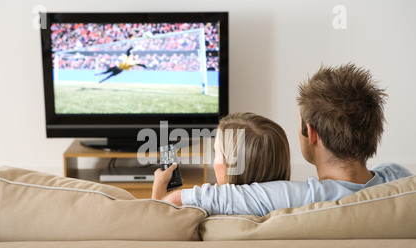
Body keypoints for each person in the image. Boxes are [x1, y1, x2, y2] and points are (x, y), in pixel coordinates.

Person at [153, 63, 413, 216]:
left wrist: (160, 190)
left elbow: (178, 202)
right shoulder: (401, 181)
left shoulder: (298, 198)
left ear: (311, 133)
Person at [152, 112, 291, 201]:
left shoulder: (206, 206)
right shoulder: (297, 205)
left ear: (232, 166)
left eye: (216, 153)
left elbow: (157, 225)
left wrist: (159, 189)